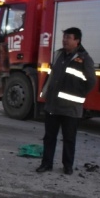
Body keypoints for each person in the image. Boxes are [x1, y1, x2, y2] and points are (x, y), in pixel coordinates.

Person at [36, 27, 96, 175]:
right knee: (49, 137)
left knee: (69, 139)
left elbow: (91, 81)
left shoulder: (84, 59)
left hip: (71, 108)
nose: (65, 40)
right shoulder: (59, 55)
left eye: (68, 37)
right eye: (64, 37)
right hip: (53, 105)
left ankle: (67, 166)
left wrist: (79, 95)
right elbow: (52, 77)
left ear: (77, 41)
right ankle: (46, 164)